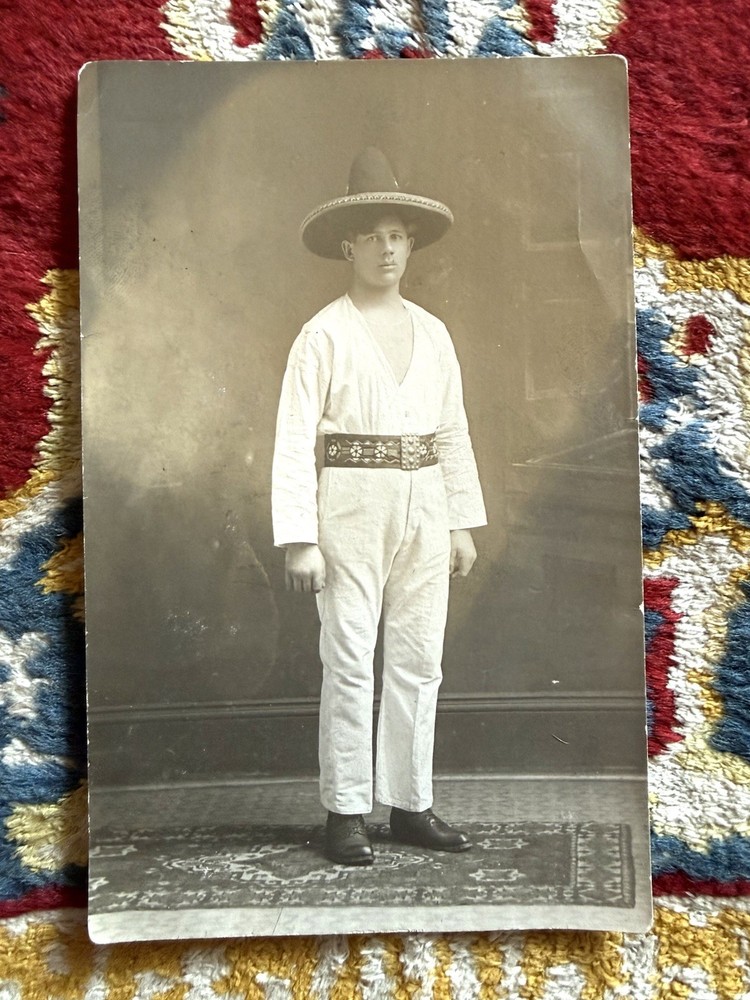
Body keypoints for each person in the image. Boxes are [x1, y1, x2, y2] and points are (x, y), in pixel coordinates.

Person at [272, 147, 487, 866]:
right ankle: (346, 811)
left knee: (421, 658)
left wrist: (460, 519)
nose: (388, 248)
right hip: (352, 507)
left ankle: (410, 803)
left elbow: (452, 427)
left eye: (398, 235)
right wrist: (300, 537)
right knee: (350, 657)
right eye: (373, 236)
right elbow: (295, 438)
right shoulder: (323, 334)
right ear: (348, 246)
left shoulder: (434, 332)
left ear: (410, 244)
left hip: (425, 500)